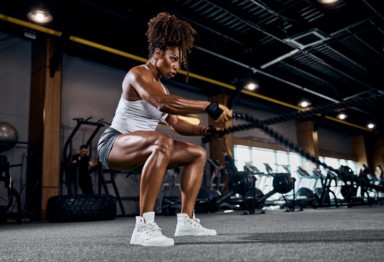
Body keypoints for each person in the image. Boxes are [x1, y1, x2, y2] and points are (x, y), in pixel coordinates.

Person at [97, 12, 232, 247]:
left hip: (143, 148)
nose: (176, 66)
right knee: (162, 141)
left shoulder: (163, 89)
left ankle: (186, 221)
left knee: (197, 154)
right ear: (157, 54)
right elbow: (162, 104)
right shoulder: (138, 74)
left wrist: (205, 132)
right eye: (173, 59)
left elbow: (176, 123)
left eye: (179, 61)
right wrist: (207, 106)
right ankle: (143, 227)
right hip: (114, 144)